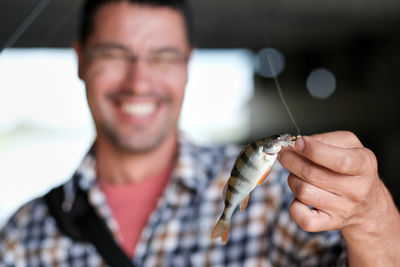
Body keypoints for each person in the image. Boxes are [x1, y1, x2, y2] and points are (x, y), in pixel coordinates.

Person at [1, 0, 399, 266]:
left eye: (163, 55)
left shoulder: (277, 194)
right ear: (81, 60)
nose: (139, 81)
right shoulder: (22, 236)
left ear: (188, 64)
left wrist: (373, 221)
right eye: (114, 53)